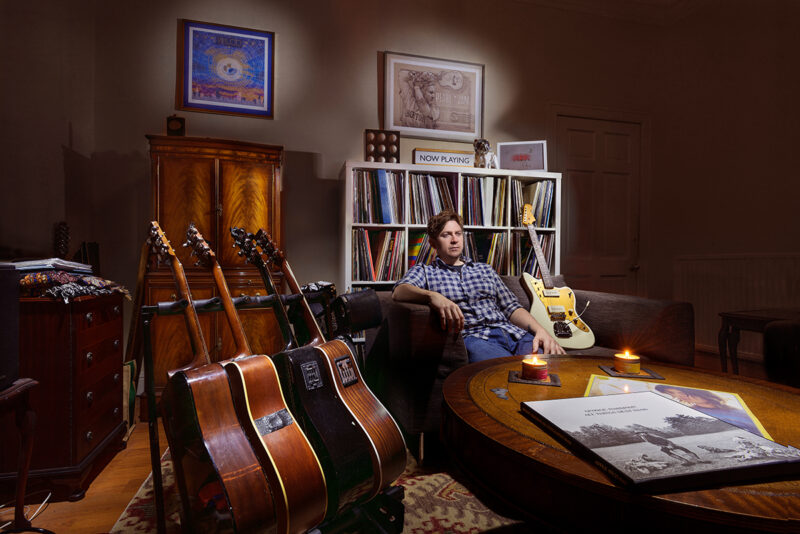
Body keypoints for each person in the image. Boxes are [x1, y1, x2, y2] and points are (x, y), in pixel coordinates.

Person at [392, 210, 565, 362]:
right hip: (475, 339)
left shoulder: (485, 270)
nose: (454, 240)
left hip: (513, 334)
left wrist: (541, 331)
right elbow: (399, 291)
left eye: (458, 234)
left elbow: (512, 308)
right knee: (504, 372)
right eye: (446, 235)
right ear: (433, 243)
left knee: (552, 364)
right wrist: (432, 296)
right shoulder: (426, 271)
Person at [654, 384, 762, 436]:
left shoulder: (735, 409)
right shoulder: (695, 413)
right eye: (673, 394)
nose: (679, 397)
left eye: (681, 393)